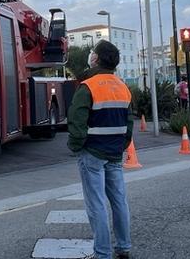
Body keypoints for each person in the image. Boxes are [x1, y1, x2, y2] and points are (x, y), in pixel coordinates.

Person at [68, 40, 133, 259]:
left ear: (96, 59)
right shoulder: (122, 86)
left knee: (96, 204)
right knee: (119, 201)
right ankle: (123, 247)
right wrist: (120, 146)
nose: (90, 54)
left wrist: (76, 147)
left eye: (92, 52)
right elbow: (129, 123)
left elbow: (77, 121)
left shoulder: (89, 86)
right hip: (114, 153)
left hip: (93, 154)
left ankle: (102, 253)